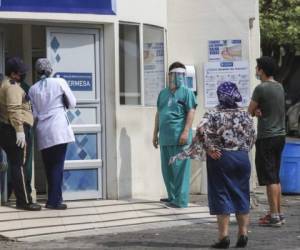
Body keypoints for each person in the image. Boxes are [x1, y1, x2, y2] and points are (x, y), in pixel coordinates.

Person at [171, 82, 256, 248]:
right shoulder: (245, 114)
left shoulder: (213, 113)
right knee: (242, 194)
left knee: (221, 194)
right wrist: (241, 150)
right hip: (242, 158)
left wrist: (209, 148)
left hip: (221, 158)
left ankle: (223, 237)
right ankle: (243, 233)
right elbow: (252, 136)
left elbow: (201, 130)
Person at [29, 58, 76, 210]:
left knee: (49, 166)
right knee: (57, 166)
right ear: (50, 69)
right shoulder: (59, 82)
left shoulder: (33, 89)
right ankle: (54, 201)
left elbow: (34, 114)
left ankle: (53, 198)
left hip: (43, 130)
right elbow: (73, 103)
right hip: (58, 128)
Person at [152, 62, 197, 208]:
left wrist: (185, 131)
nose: (178, 78)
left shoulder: (187, 92)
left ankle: (181, 200)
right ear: (170, 75)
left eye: (182, 75)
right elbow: (159, 113)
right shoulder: (163, 93)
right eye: (176, 74)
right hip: (165, 138)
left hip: (181, 138)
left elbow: (191, 111)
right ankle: (172, 197)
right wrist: (155, 133)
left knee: (180, 170)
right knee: (168, 170)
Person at [248, 56, 286, 227]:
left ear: (261, 70)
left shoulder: (261, 89)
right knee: (275, 177)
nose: (256, 70)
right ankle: (278, 213)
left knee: (270, 178)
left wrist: (256, 111)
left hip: (267, 137)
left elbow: (250, 110)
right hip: (280, 136)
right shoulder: (279, 86)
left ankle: (274, 216)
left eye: (257, 67)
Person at [0, 57, 41, 211]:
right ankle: (24, 201)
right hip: (15, 129)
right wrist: (20, 131)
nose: (23, 74)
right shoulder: (12, 87)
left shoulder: (8, 84)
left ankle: (23, 199)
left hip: (10, 128)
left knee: (17, 165)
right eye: (20, 73)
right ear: (13, 74)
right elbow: (14, 109)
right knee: (20, 166)